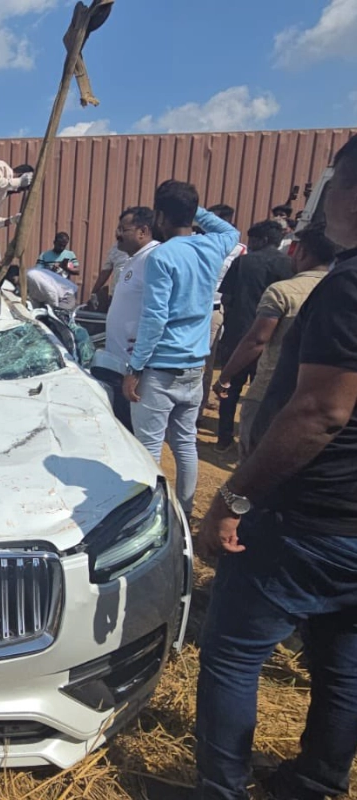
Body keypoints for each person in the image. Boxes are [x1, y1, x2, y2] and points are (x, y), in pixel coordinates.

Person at [194, 134, 357, 800]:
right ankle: (316, 780)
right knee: (344, 657)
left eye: (334, 182)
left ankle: (220, 788)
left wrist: (232, 500)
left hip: (308, 515)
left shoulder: (346, 289)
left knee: (233, 651)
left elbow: (321, 411)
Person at [121, 182, 240, 517]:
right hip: (194, 366)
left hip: (160, 369)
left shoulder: (162, 256)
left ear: (159, 215)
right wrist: (190, 209)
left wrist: (135, 368)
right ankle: (184, 512)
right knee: (185, 443)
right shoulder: (212, 246)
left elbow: (155, 317)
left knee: (148, 449)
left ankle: (150, 518)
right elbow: (231, 229)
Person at [214, 221, 336, 459]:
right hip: (309, 387)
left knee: (249, 439)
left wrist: (224, 376)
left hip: (263, 368)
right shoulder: (339, 288)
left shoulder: (281, 290)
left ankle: (224, 439)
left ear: (301, 251)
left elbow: (257, 338)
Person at [213, 220, 294, 451]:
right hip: (274, 340)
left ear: (263, 240)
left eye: (253, 239)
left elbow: (226, 298)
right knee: (266, 392)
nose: (250, 244)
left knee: (229, 388)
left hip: (240, 335)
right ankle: (260, 440)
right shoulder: (290, 265)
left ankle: (224, 438)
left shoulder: (243, 263)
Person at [95, 207, 160, 429]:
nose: (118, 234)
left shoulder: (153, 259)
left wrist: (142, 353)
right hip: (120, 362)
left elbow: (161, 310)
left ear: (143, 231)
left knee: (135, 431)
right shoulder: (133, 258)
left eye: (124, 229)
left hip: (136, 367)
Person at [200, 204, 247, 416]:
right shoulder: (196, 243)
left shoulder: (240, 249)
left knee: (204, 365)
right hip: (189, 311)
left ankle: (196, 411)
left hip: (213, 311)